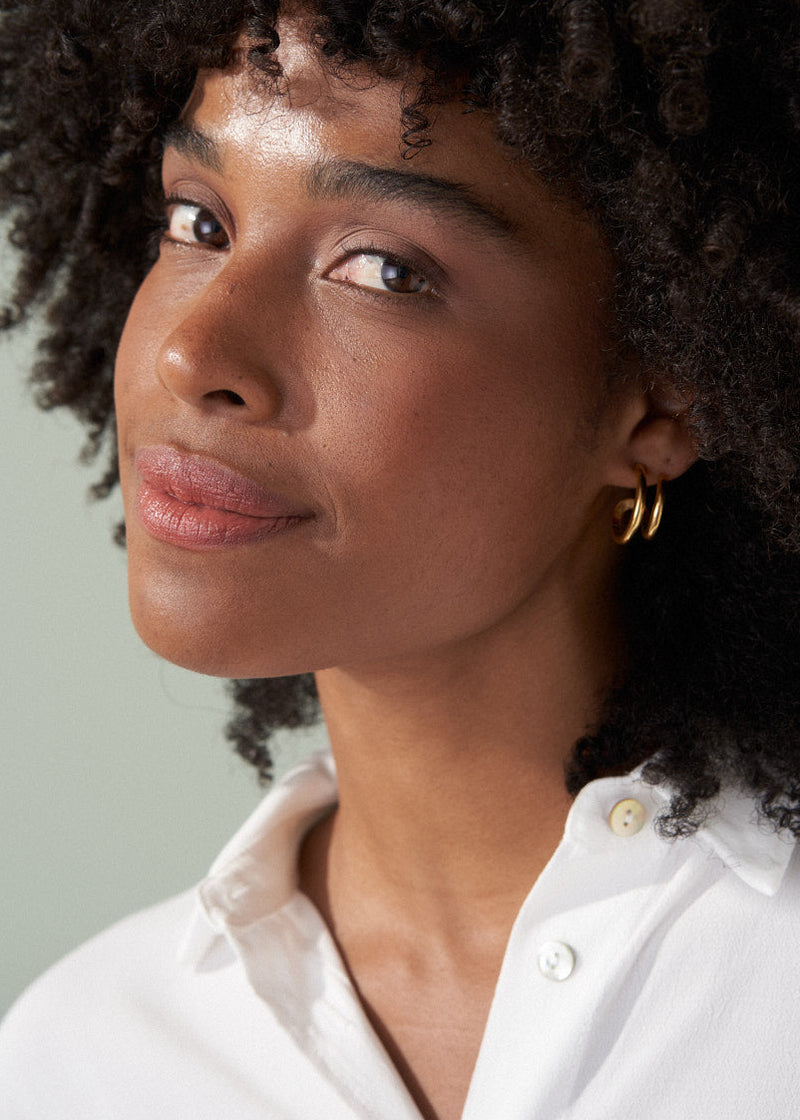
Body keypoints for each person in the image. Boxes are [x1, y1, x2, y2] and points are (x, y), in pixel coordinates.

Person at [1, 1, 799, 1117]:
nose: (191, 351)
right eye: (199, 221)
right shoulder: (76, 1065)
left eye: (380, 269)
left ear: (659, 387)